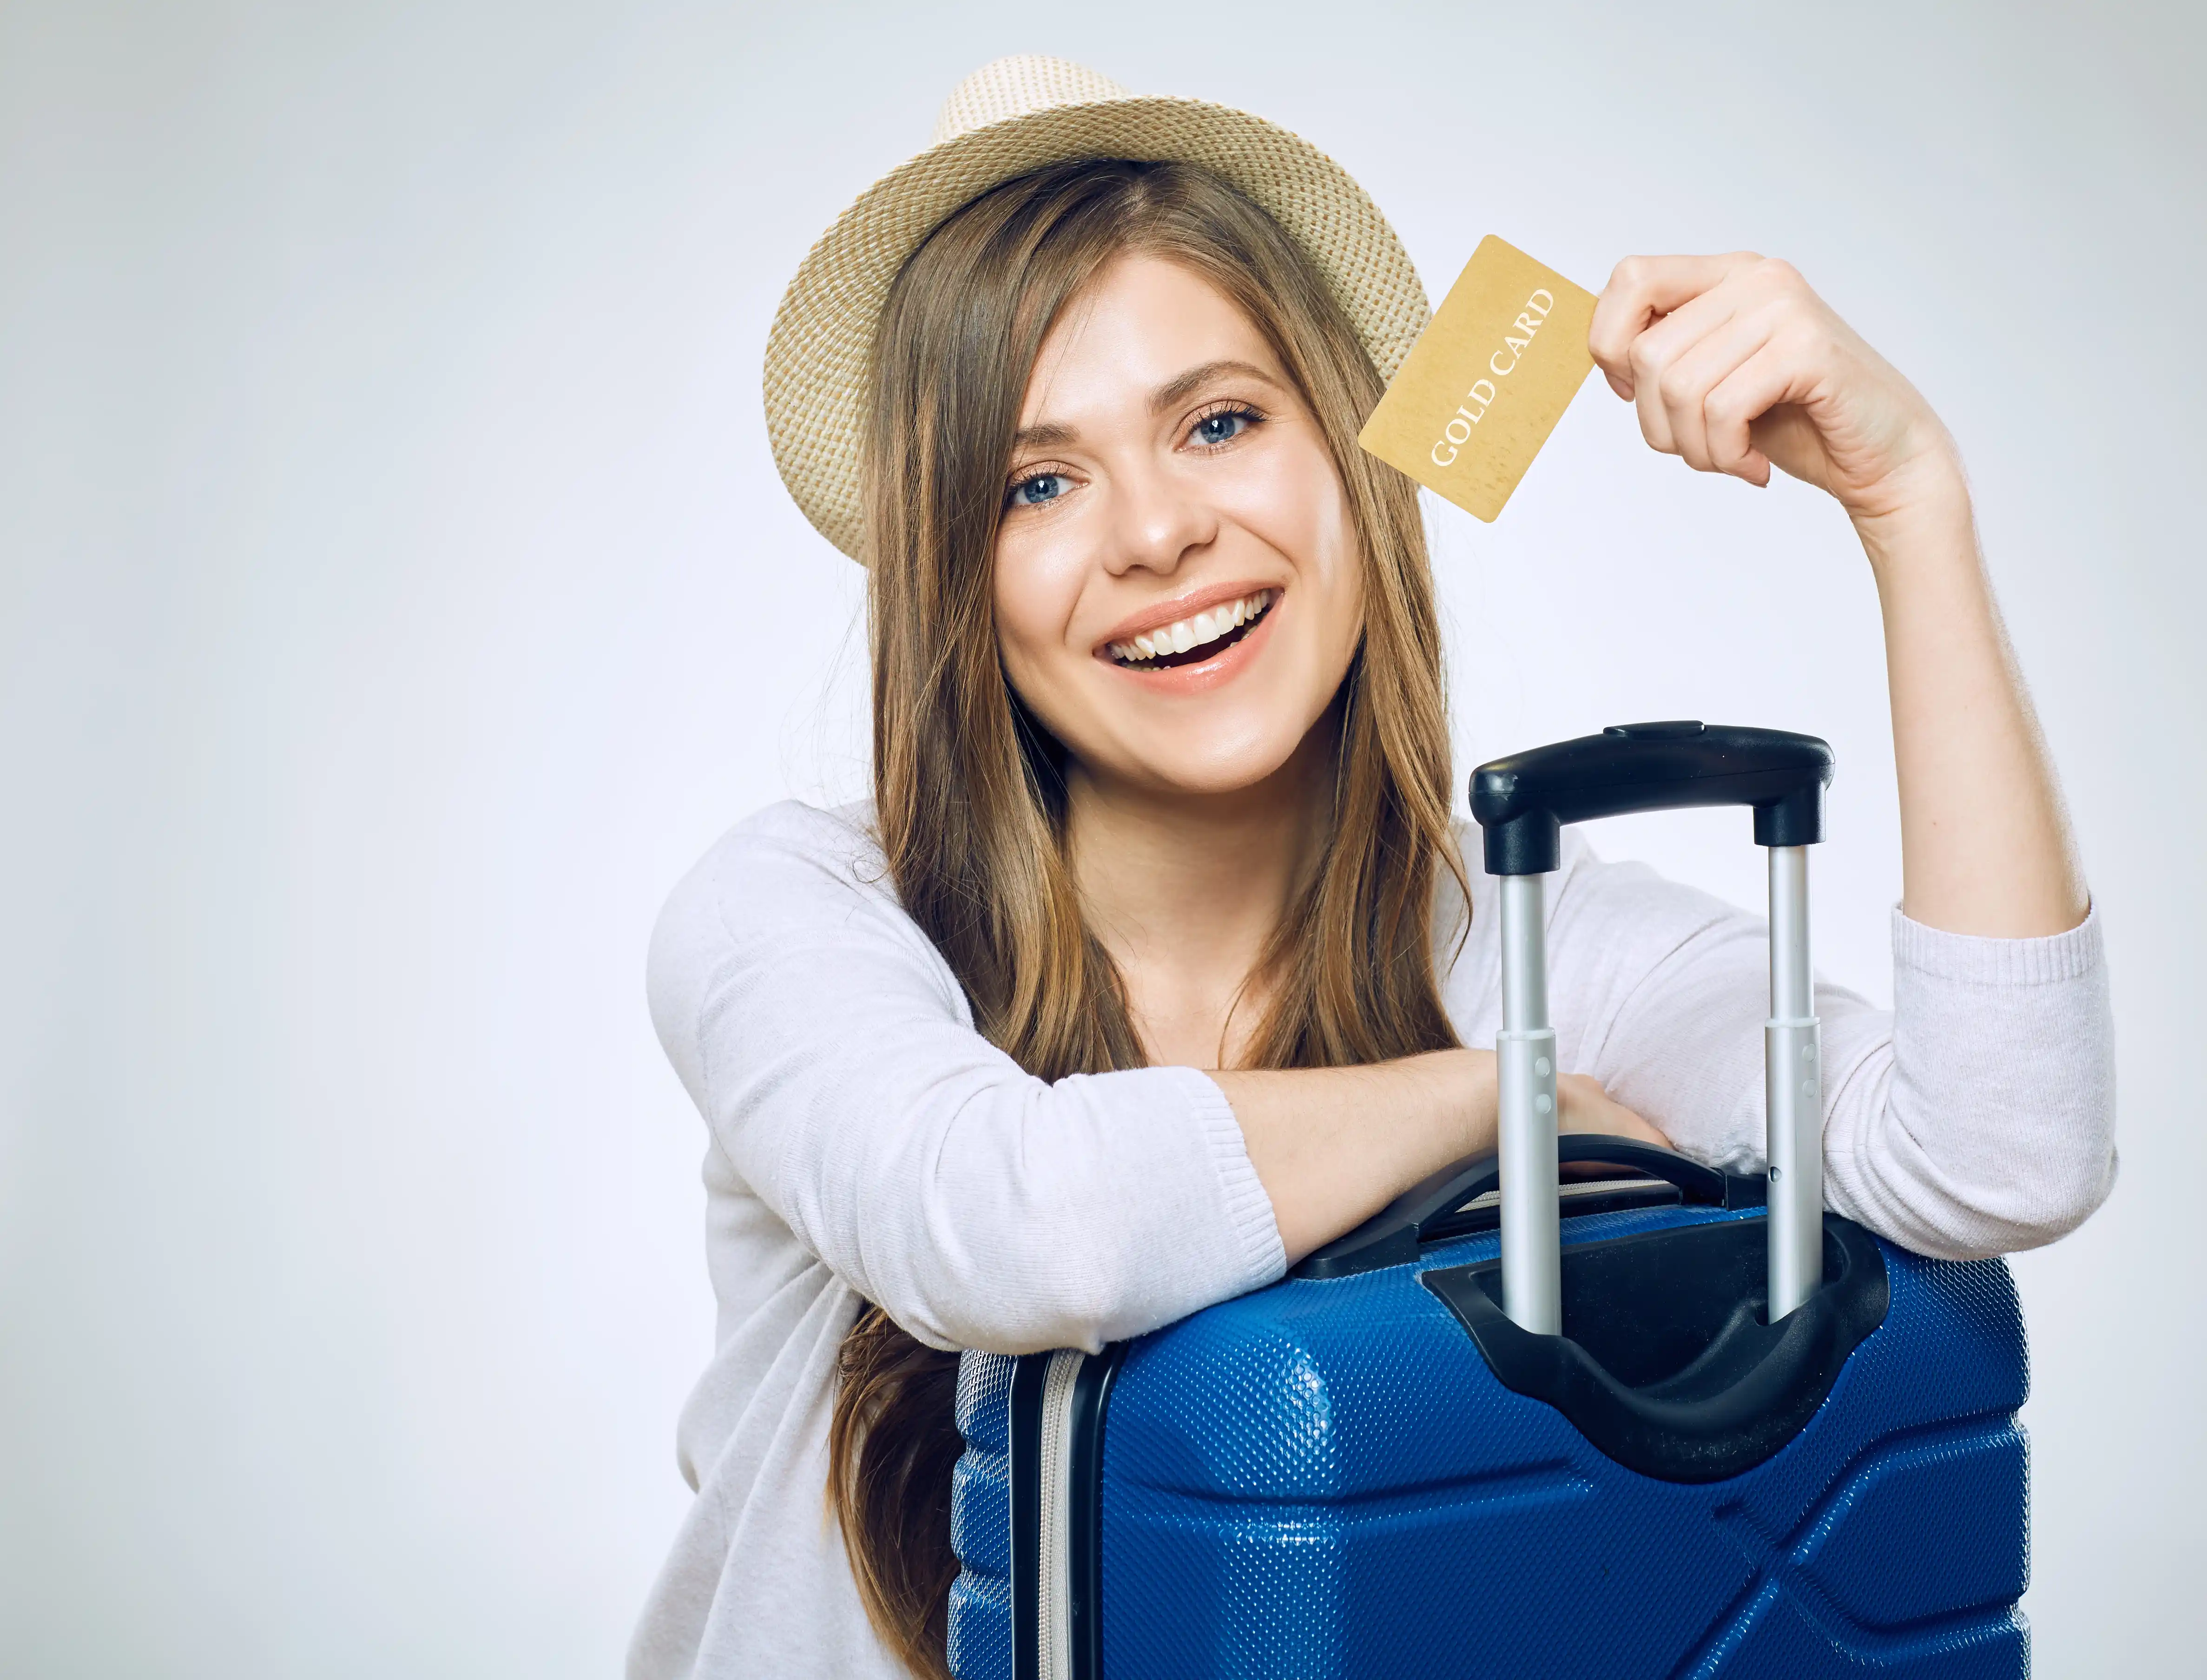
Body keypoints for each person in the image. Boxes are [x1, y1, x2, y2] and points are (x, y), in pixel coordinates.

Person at [628, 55, 2114, 1680]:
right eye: (1035, 482)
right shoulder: (799, 917)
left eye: (1218, 422)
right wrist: (1497, 1098)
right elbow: (1008, 1224)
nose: (1154, 532)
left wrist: (1913, 504)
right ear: (949, 576)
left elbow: (2000, 1156)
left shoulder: (1533, 941)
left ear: (1353, 461)